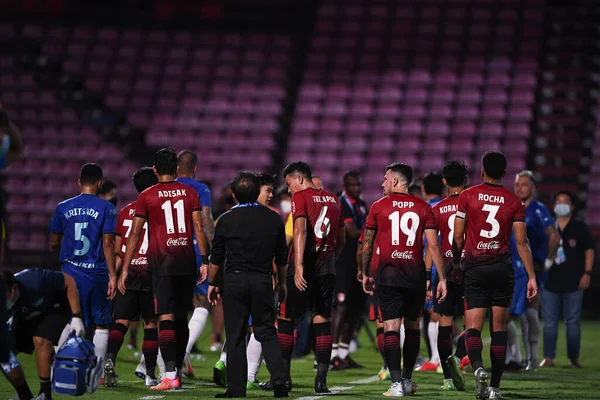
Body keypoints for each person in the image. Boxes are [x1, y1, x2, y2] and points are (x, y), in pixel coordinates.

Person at [118, 148, 210, 391]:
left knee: (165, 316)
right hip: (187, 261)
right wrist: (206, 261)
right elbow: (199, 229)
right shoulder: (191, 192)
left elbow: (135, 234)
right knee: (181, 317)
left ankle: (170, 375)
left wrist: (125, 268)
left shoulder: (146, 196)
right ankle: (177, 369)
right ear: (177, 170)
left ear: (156, 170)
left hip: (163, 263)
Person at [452, 151, 537, 400]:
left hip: (475, 267)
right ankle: (495, 389)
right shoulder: (514, 201)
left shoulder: (467, 196)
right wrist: (531, 276)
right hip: (502, 268)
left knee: (473, 328)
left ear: (481, 171)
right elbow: (522, 243)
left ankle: (478, 369)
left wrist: (457, 264)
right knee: (498, 328)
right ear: (504, 173)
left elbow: (458, 237)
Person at [361, 162, 447, 397]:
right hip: (415, 276)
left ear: (396, 181)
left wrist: (365, 272)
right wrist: (441, 278)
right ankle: (407, 381)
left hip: (388, 275)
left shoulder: (378, 207)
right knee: (412, 328)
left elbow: (367, 244)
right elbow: (433, 245)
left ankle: (396, 383)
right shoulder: (424, 207)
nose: (382, 183)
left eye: (385, 179)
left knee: (390, 327)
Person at [207, 171, 290, 398]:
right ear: (256, 192)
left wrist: (213, 283)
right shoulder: (273, 218)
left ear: (234, 195)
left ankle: (236, 388)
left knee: (235, 335)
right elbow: (282, 256)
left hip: (234, 280)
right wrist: (281, 282)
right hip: (262, 279)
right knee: (266, 332)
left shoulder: (225, 219)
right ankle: (280, 379)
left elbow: (216, 257)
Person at [278, 162, 345, 394]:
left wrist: (297, 265)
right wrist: (331, 257)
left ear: (299, 178)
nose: (288, 190)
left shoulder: (300, 198)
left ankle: (284, 379)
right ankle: (321, 382)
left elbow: (301, 230)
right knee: (322, 319)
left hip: (304, 266)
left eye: (288, 183)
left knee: (286, 317)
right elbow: (342, 236)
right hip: (326, 268)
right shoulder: (335, 200)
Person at [49, 163, 117, 366]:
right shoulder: (107, 208)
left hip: (69, 273)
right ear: (100, 183)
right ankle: (97, 371)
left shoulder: (63, 207)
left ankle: (58, 365)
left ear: (79, 182)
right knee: (101, 324)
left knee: (69, 319)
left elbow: (53, 242)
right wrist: (113, 275)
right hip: (96, 274)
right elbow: (107, 243)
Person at [104, 167, 159, 387]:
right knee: (151, 324)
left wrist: (120, 271)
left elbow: (118, 247)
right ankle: (150, 374)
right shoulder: (157, 212)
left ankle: (109, 359)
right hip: (151, 274)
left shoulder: (125, 211)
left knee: (121, 322)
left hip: (127, 274)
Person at [2, 269, 86, 400]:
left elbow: (69, 281)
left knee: (40, 339)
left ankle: (45, 394)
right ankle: (24, 395)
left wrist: (76, 316)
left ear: (14, 288)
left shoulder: (35, 280)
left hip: (55, 306)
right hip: (25, 314)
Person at [510, 170, 560, 371]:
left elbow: (554, 236)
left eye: (524, 184)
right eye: (517, 184)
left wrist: (548, 261)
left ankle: (531, 359)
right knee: (520, 313)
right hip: (515, 267)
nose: (519, 187)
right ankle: (522, 357)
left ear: (533, 188)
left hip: (534, 268)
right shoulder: (513, 207)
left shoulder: (538, 209)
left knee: (529, 313)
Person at [426, 161, 468, 391]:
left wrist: (427, 277)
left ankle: (448, 380)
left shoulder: (436, 209)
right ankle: (459, 356)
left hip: (445, 272)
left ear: (444, 182)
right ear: (467, 179)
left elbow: (432, 246)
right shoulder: (473, 205)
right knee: (473, 324)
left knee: (444, 324)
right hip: (469, 269)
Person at [541, 191, 594, 369]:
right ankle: (548, 357)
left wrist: (587, 273)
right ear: (553, 205)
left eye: (565, 201)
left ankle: (573, 358)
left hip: (574, 282)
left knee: (572, 323)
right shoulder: (547, 226)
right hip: (550, 281)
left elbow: (589, 250)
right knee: (549, 322)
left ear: (572, 206)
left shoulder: (579, 226)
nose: (561, 204)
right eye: (558, 201)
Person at [176, 149, 215, 377]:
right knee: (201, 303)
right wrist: (211, 253)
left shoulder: (164, 188)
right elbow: (206, 221)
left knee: (170, 307)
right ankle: (183, 351)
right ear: (195, 168)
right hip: (194, 249)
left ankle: (153, 361)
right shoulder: (200, 189)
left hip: (169, 250)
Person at [331, 170, 367, 370]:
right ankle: (332, 353)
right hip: (343, 263)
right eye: (353, 185)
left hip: (359, 264)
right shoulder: (340, 204)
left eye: (359, 185)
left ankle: (344, 354)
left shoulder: (361, 205)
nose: (357, 188)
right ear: (345, 185)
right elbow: (352, 231)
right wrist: (373, 232)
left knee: (355, 308)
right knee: (341, 307)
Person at [418, 172, 445, 372]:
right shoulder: (449, 207)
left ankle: (436, 359)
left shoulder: (427, 210)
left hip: (434, 267)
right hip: (454, 264)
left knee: (434, 313)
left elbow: (427, 244)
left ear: (424, 190)